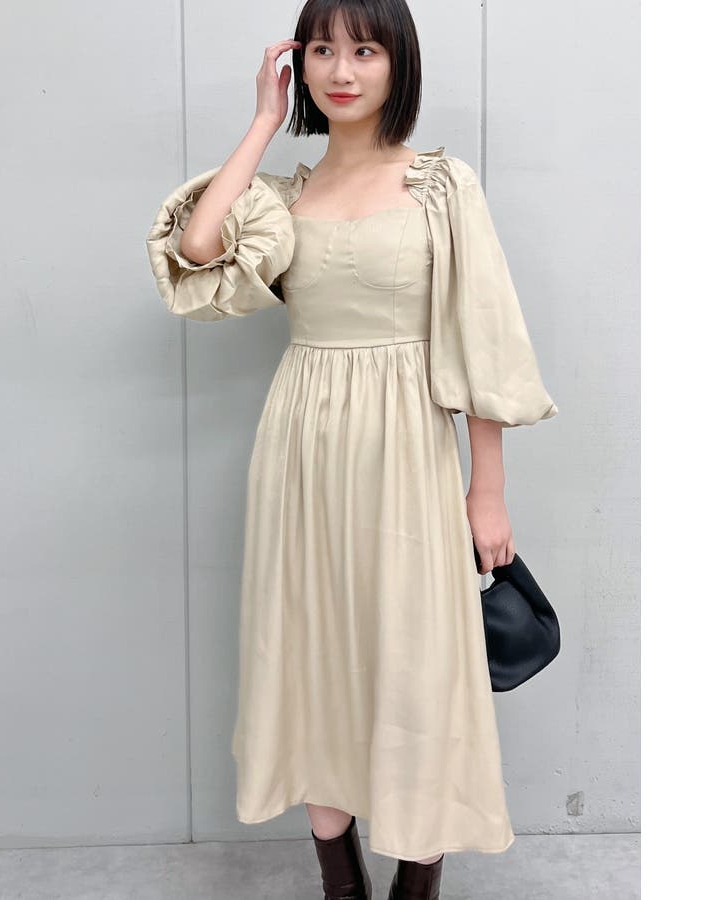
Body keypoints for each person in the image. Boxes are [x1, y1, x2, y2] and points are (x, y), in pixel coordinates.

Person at [145, 1, 558, 897]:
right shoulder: (281, 199)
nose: (342, 70)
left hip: (408, 443)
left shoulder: (440, 185)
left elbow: (480, 338)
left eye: (365, 50)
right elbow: (199, 248)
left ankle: (416, 880)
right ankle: (341, 881)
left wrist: (487, 490)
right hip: (302, 447)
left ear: (397, 62)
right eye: (324, 49)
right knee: (312, 653)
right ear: (299, 65)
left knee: (419, 664)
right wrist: (263, 120)